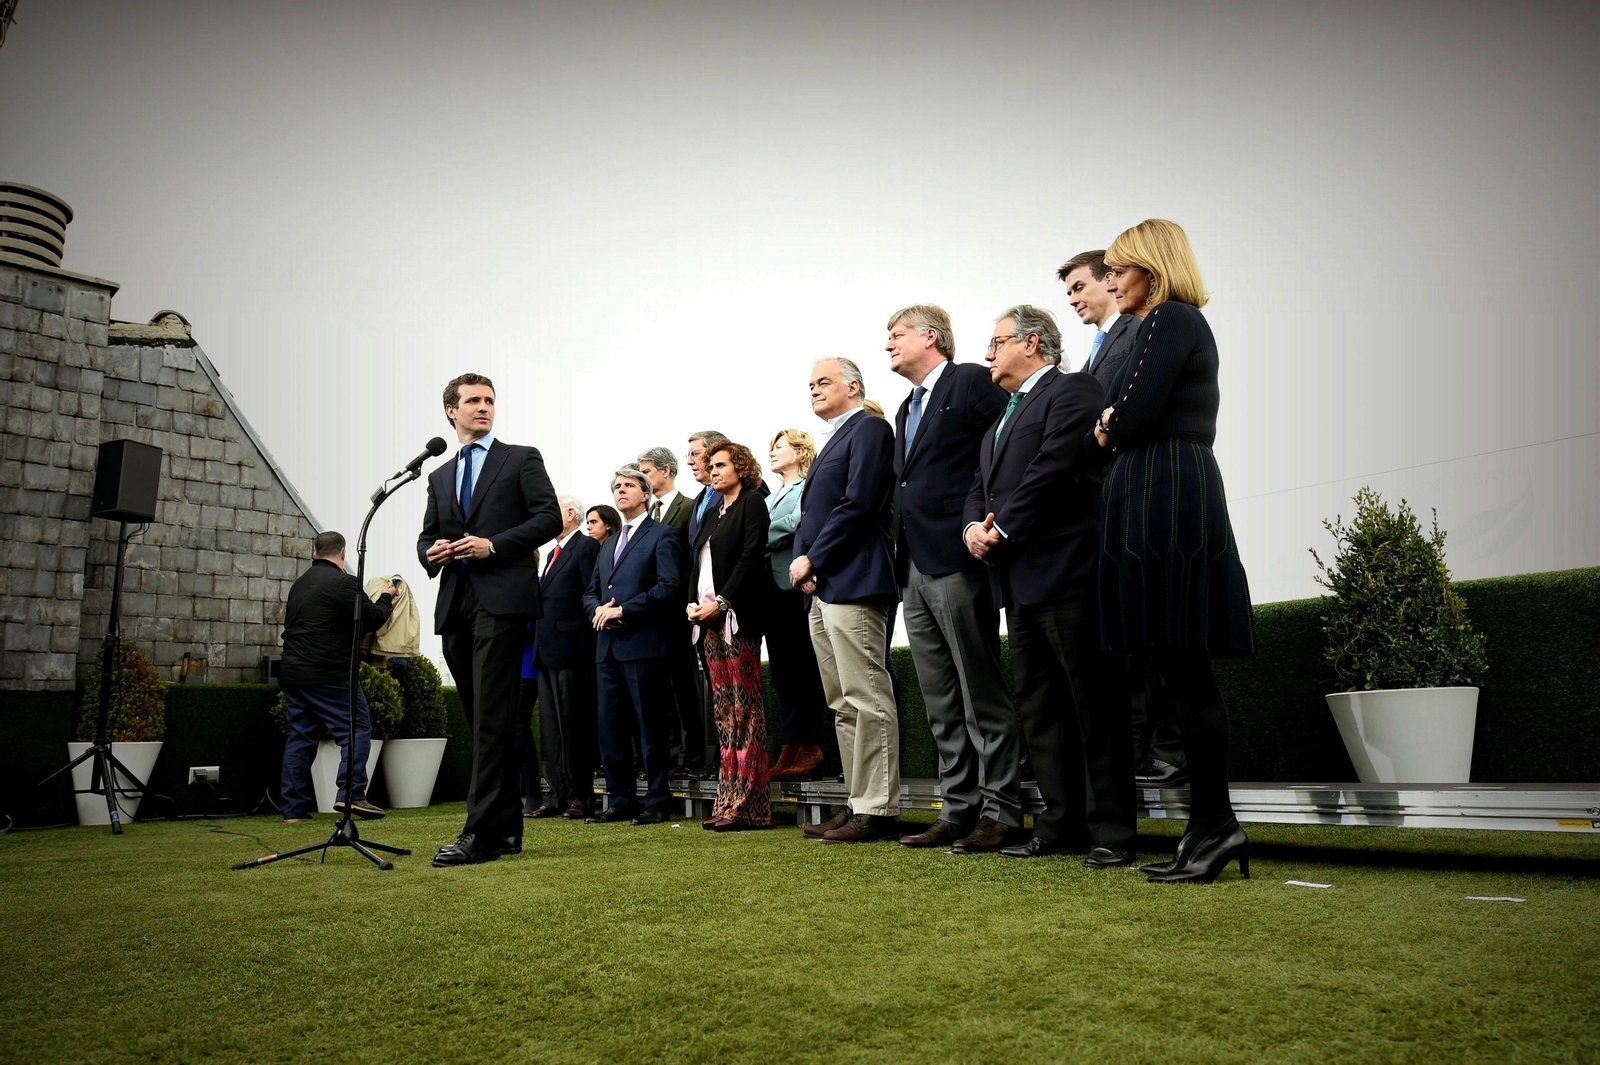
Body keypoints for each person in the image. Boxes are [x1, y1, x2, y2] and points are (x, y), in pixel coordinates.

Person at [1095, 219, 1256, 883]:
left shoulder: (1170, 321)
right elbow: (1122, 416)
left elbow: (1125, 417)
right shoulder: (1169, 325)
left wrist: (1109, 424)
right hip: (1160, 484)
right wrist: (1112, 423)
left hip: (1164, 486)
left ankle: (1215, 825)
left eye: (1119, 270)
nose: (1110, 282)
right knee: (1174, 662)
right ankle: (1208, 827)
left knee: (1183, 664)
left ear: (1152, 270)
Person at [964, 306, 1136, 868]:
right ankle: (1057, 825)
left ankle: (1111, 828)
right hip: (1016, 582)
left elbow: (1055, 465)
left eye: (996, 343)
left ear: (1031, 343)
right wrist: (972, 529)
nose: (988, 354)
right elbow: (976, 490)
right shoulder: (997, 423)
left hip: (1067, 572)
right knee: (1040, 709)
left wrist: (1003, 528)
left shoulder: (1074, 390)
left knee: (1093, 702)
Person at [884, 304, 1021, 854]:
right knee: (940, 699)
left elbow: (1009, 443)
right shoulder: (902, 409)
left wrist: (990, 522)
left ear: (930, 337)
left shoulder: (969, 380)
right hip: (913, 567)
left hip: (959, 558)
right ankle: (957, 809)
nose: (888, 344)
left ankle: (1001, 810)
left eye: (896, 335)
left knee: (978, 691)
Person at [417, 372, 562, 867]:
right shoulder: (438, 476)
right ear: (451, 411)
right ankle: (506, 831)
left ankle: (478, 834)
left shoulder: (521, 458)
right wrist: (431, 553)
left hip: (503, 601)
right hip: (456, 604)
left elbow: (547, 518)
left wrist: (494, 545)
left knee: (492, 722)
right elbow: (426, 537)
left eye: (490, 400)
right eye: (473, 401)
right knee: (484, 720)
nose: (483, 407)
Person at [1061, 249, 1188, 787]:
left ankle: (1165, 748)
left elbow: (1127, 412)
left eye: (1081, 285)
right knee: (1125, 634)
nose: (1075, 298)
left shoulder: (1142, 329)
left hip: (1143, 489)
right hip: (1103, 501)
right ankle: (1134, 746)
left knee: (1154, 631)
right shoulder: (1096, 350)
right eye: (1068, 291)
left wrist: (1102, 431)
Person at [791, 357, 902, 843]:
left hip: (855, 579)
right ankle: (858, 801)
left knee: (867, 695)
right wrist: (804, 564)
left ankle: (877, 807)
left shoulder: (871, 429)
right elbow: (809, 514)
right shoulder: (833, 440)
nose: (813, 389)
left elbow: (858, 504)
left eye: (823, 382)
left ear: (853, 387)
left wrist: (813, 559)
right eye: (810, 384)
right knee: (841, 702)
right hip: (824, 584)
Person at [583, 465, 686, 825]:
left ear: (646, 494)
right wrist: (597, 609)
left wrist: (625, 610)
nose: (621, 490)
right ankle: (621, 799)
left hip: (643, 644)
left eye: (629, 485)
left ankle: (658, 800)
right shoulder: (608, 543)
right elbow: (591, 591)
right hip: (607, 648)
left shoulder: (663, 535)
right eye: (617, 486)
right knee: (610, 728)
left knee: (650, 727)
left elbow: (670, 587)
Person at [687, 441, 776, 830]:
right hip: (705, 623)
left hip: (737, 618)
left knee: (745, 711)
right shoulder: (711, 511)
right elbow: (699, 565)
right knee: (724, 714)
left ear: (740, 466)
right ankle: (726, 802)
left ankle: (751, 806)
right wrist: (693, 606)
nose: (714, 470)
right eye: (712, 465)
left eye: (721, 464)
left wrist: (722, 602)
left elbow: (751, 556)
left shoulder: (752, 502)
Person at [278, 531, 395, 823]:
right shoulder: (343, 582)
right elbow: (371, 619)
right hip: (329, 674)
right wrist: (386, 597)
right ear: (343, 554)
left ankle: (293, 811)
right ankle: (352, 795)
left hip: (293, 674)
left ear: (314, 552)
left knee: (301, 737)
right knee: (356, 729)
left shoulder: (299, 585)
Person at [530, 494, 601, 819]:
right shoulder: (551, 553)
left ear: (570, 513)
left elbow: (591, 594)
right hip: (546, 652)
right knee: (552, 730)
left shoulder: (585, 547)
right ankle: (556, 794)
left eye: (551, 509)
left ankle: (579, 797)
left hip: (573, 651)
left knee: (574, 728)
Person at [639, 444, 707, 779]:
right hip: (649, 618)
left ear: (667, 470)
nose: (643, 479)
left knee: (684, 688)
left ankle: (692, 757)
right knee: (658, 691)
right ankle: (666, 758)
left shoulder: (690, 508)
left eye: (647, 472)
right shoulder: (644, 516)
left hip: (680, 613)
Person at [765, 429, 829, 781]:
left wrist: (759, 530)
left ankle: (811, 748)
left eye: (779, 447)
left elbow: (799, 521)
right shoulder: (773, 494)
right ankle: (789, 746)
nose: (771, 452)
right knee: (783, 674)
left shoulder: (808, 485)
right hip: (771, 590)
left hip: (794, 585)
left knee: (804, 670)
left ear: (800, 452)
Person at [685, 430, 729, 545]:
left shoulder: (745, 488)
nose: (689, 461)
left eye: (695, 454)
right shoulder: (697, 501)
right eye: (689, 455)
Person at [638, 447, 693, 529]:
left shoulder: (690, 506)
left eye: (646, 472)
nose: (641, 478)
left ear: (665, 471)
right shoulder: (647, 513)